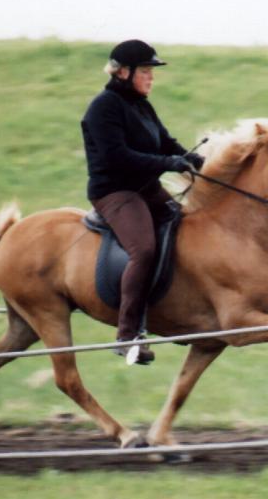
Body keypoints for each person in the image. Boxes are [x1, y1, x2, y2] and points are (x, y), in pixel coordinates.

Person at [81, 39, 204, 365]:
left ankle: (179, 315)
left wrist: (188, 156)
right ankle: (127, 335)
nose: (151, 77)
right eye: (146, 71)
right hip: (116, 192)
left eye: (151, 71)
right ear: (123, 72)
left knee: (184, 229)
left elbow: (164, 141)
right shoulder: (103, 107)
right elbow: (118, 157)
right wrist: (167, 164)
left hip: (145, 188)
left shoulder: (141, 105)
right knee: (144, 249)